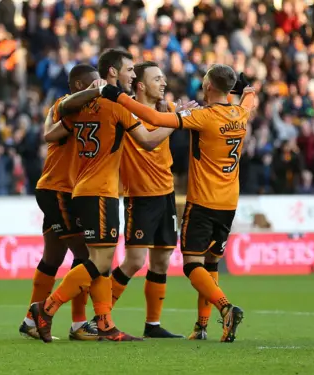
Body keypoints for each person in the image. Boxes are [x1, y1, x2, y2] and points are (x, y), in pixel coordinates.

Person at [100, 64, 257, 342]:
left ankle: (225, 308)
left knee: (191, 265)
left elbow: (153, 118)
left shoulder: (202, 116)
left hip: (203, 201)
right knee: (211, 265)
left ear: (208, 87)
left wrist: (117, 95)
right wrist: (245, 87)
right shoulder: (242, 112)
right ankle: (201, 327)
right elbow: (251, 96)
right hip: (229, 202)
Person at [30, 48, 175, 343]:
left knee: (99, 261)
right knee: (97, 261)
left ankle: (105, 323)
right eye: (129, 70)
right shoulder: (118, 107)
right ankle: (46, 309)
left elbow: (52, 134)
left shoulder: (80, 107)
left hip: (81, 189)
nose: (132, 75)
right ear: (112, 72)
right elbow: (147, 141)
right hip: (101, 191)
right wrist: (175, 121)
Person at [20, 64, 106, 342]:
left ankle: (29, 321)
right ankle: (78, 323)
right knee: (87, 256)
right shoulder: (63, 105)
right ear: (81, 86)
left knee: (53, 257)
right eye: (95, 84)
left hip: (61, 190)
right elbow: (66, 105)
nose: (100, 88)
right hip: (59, 190)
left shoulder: (87, 111)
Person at [110, 61, 196, 339]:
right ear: (141, 86)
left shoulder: (169, 109)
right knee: (134, 261)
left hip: (166, 194)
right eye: (157, 79)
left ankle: (153, 325)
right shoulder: (128, 112)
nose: (163, 83)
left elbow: (188, 118)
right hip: (140, 196)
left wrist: (184, 115)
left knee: (161, 261)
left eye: (163, 78)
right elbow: (149, 141)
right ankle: (100, 316)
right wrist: (176, 120)